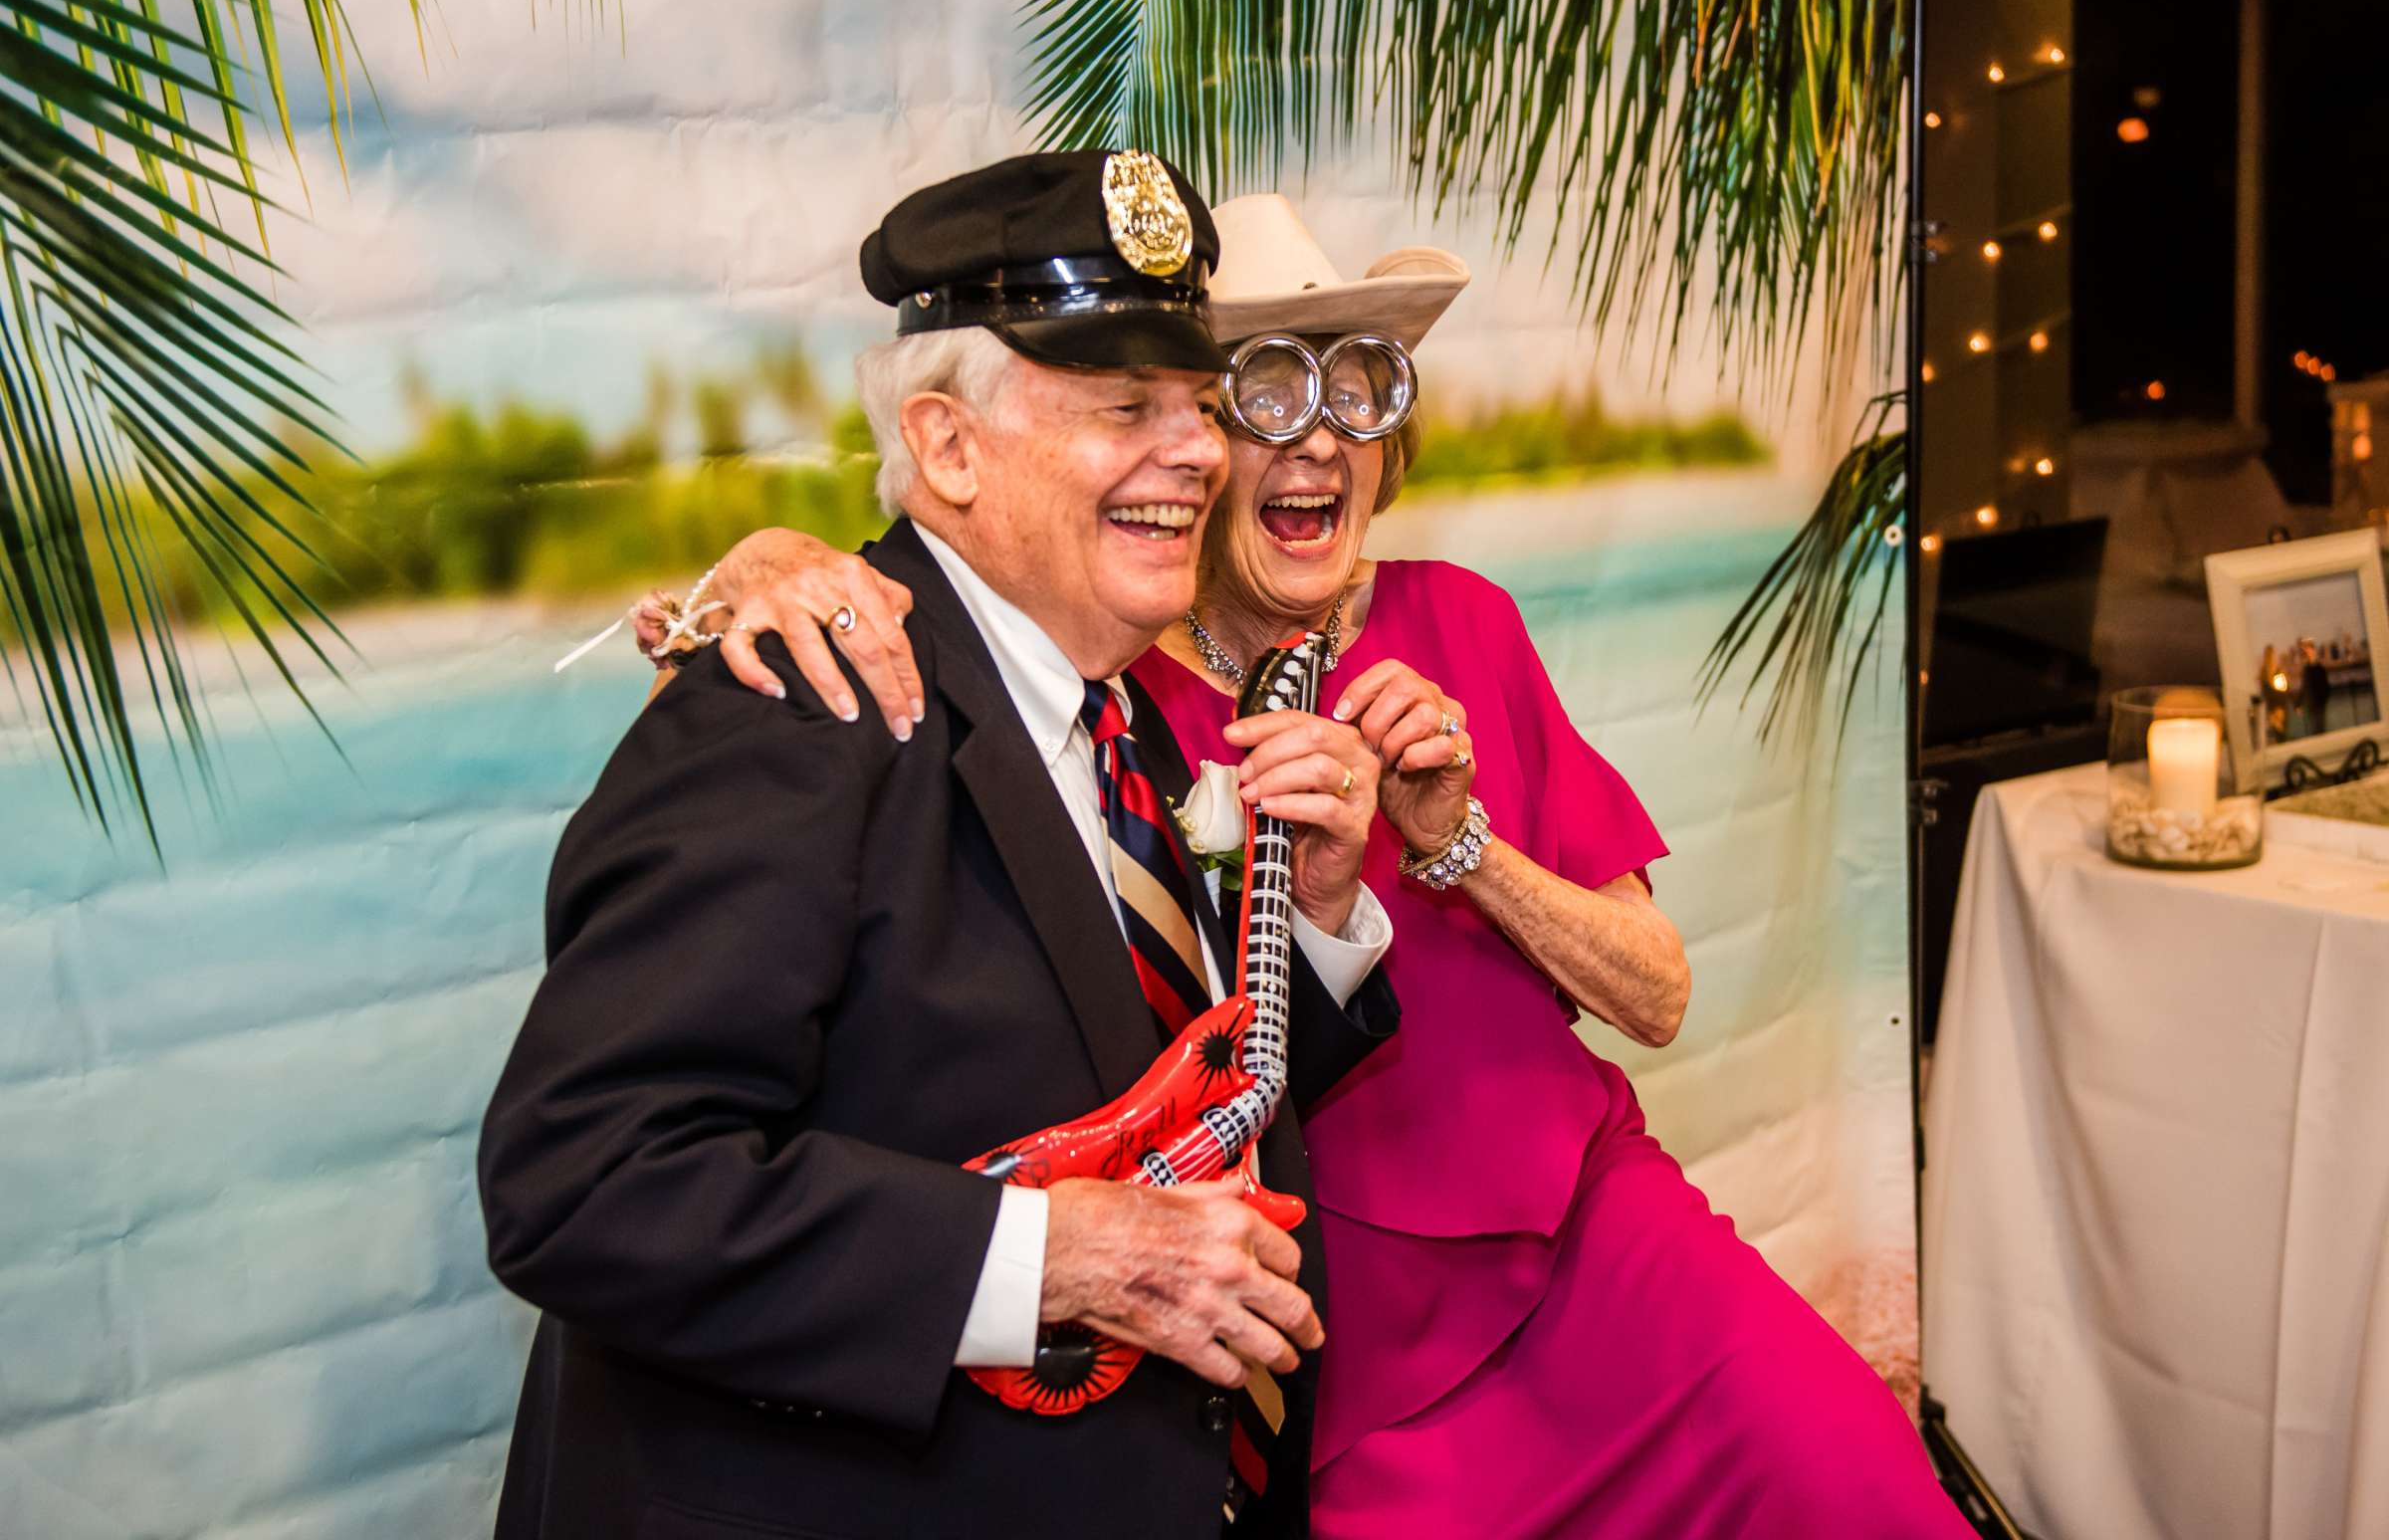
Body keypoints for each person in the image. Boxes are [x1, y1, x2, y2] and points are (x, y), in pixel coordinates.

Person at [664, 193, 1975, 1537]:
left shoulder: (1461, 622)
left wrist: (1456, 842)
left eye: (1358, 394)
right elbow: (937, 597)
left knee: (1858, 1479)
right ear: (1190, 459)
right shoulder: (1103, 695)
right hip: (1327, 1340)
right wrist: (771, 564)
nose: (1319, 439)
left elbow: (1658, 995)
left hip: (1596, 1245)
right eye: (1259, 397)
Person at [480, 153, 1404, 1540]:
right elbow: (587, 1180)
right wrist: (1051, 1259)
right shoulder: (799, 701)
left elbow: (1160, 1092)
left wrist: (1318, 923)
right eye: (1123, 407)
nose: (1202, 451)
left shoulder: (1113, 717)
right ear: (950, 447)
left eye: (1199, 407)